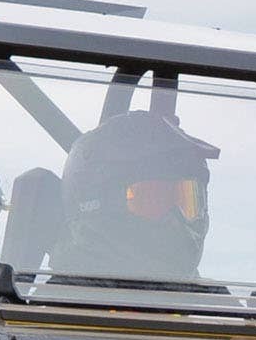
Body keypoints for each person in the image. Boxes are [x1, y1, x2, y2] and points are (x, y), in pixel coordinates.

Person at [47, 110, 220, 283]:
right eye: (152, 199)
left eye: (187, 201)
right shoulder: (60, 305)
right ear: (92, 205)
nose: (175, 220)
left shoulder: (210, 304)